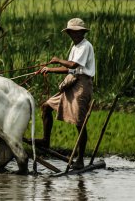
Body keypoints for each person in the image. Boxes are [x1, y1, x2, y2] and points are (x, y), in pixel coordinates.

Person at [37, 18, 95, 170]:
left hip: (82, 85)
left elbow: (73, 65)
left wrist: (56, 60)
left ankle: (80, 159)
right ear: (68, 33)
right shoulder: (75, 46)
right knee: (45, 106)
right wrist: (48, 69)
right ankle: (45, 140)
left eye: (78, 32)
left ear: (83, 32)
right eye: (72, 32)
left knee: (79, 123)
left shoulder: (85, 46)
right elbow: (70, 69)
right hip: (72, 82)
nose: (74, 34)